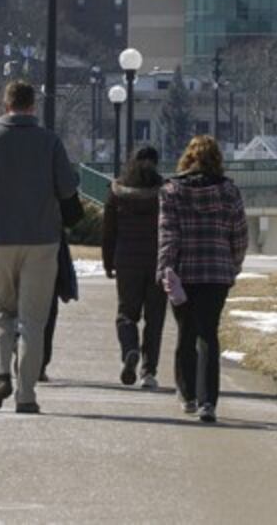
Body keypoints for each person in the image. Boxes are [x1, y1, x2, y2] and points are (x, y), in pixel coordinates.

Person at [0, 80, 81, 414]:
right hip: (42, 241)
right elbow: (68, 189)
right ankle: (26, 395)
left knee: (0, 312)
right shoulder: (49, 142)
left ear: (4, 105)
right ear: (32, 106)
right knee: (33, 321)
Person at [157, 134, 248, 423]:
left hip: (183, 272)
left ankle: (187, 395)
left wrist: (165, 268)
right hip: (217, 272)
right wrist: (232, 265)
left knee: (185, 332)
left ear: (188, 158)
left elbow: (168, 234)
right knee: (208, 333)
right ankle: (208, 401)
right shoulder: (229, 192)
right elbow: (240, 234)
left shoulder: (171, 191)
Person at [101, 145, 167, 390]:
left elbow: (108, 231)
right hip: (157, 260)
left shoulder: (117, 191)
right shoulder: (164, 191)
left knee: (127, 314)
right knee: (155, 317)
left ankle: (130, 349)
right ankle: (148, 372)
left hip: (126, 259)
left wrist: (108, 262)